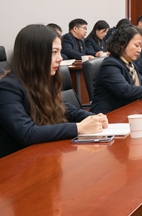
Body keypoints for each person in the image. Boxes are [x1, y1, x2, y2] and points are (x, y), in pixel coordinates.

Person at [0, 24, 107, 158]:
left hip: (44, 155)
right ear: (34, 55)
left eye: (59, 52)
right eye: (53, 52)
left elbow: (64, 107)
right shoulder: (8, 88)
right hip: (16, 162)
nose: (60, 58)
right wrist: (79, 128)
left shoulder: (43, 79)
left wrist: (92, 117)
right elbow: (27, 133)